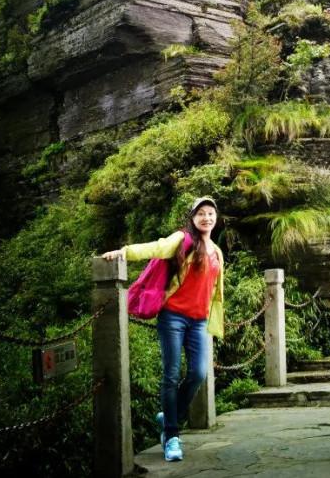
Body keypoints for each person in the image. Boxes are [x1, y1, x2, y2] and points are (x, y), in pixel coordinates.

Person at [102, 196, 224, 463]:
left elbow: (214, 290)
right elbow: (156, 248)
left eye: (210, 213)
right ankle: (171, 437)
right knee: (171, 375)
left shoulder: (216, 251)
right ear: (192, 217)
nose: (206, 218)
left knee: (198, 373)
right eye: (201, 213)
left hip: (199, 321)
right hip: (173, 317)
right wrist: (124, 252)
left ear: (216, 218)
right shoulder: (182, 240)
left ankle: (169, 417)